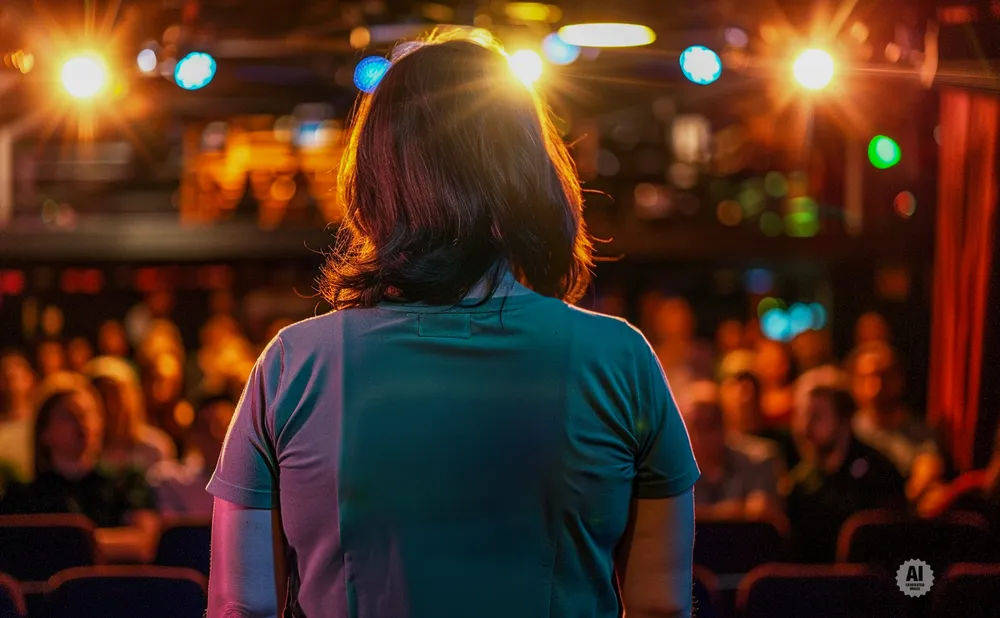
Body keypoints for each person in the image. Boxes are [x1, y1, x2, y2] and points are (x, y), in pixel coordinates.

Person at [207, 31, 700, 618]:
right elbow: (660, 606)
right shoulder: (621, 360)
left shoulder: (294, 365)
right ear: (524, 170)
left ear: (374, 178)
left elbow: (244, 605)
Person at [1, 372, 159, 563]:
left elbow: (143, 543)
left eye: (88, 414)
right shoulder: (22, 496)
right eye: (68, 416)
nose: (82, 423)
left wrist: (64, 544)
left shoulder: (128, 481)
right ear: (44, 431)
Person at [786, 384, 906, 562]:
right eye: (800, 416)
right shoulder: (801, 482)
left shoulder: (879, 473)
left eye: (816, 416)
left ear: (844, 419)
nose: (805, 427)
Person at [849, 341, 944, 503]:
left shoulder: (920, 433)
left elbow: (928, 470)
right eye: (866, 377)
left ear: (899, 379)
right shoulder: (848, 432)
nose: (875, 386)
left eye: (883, 376)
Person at [682, 382, 783, 523]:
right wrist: (740, 511)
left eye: (712, 424)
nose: (703, 436)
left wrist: (697, 514)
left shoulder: (758, 460)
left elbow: (762, 514)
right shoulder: (670, 470)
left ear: (727, 423)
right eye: (695, 426)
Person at [148, 392, 234, 517]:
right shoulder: (172, 481)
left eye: (224, 427)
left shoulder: (259, 483)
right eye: (206, 429)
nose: (216, 436)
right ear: (193, 436)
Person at [84, 356, 176, 473]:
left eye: (116, 397)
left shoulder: (154, 449)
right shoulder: (83, 452)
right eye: (102, 396)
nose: (110, 406)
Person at [0, 349, 37, 481]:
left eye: (16, 373)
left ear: (30, 378)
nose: (10, 377)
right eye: (4, 374)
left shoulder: (41, 422)